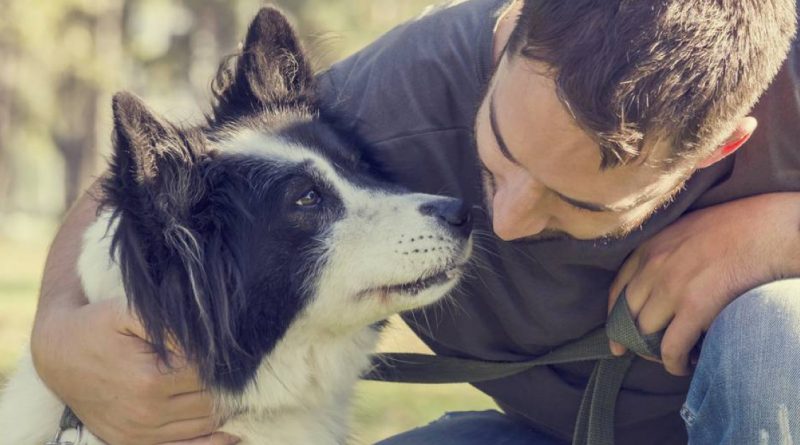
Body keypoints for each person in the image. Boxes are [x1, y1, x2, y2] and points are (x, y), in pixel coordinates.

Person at [31, 0, 800, 444]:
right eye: (498, 160)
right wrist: (58, 334)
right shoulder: (401, 94)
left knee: (774, 328)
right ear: (507, 32)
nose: (504, 219)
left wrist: (772, 235)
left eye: (575, 204)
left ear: (719, 145)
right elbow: (173, 176)